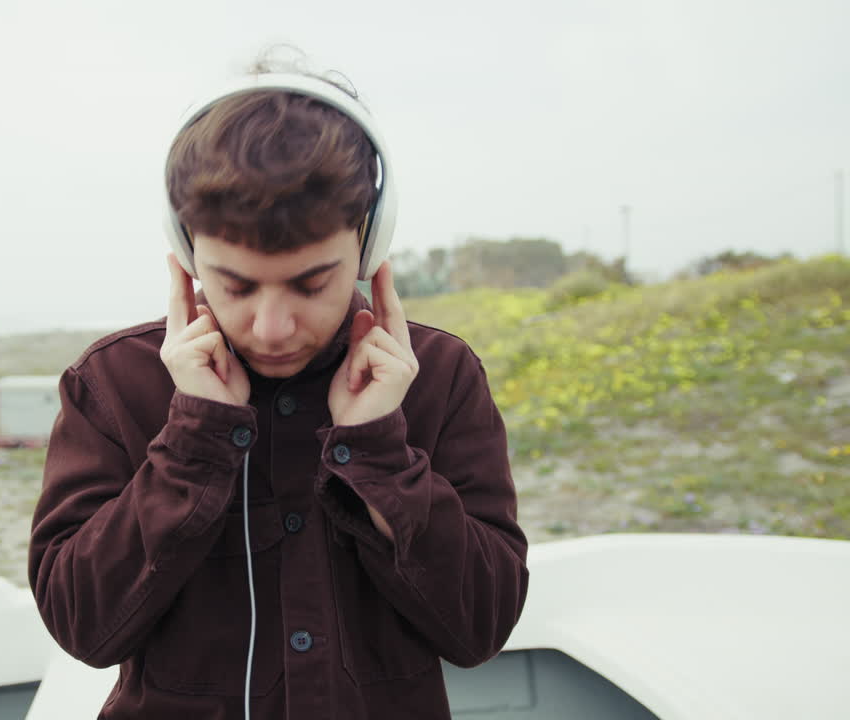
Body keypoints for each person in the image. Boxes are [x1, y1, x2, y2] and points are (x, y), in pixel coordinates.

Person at [28, 62, 528, 720]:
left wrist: (379, 455)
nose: (272, 328)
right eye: (234, 285)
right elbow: (84, 630)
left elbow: (479, 630)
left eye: (311, 283)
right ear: (185, 252)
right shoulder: (113, 382)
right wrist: (194, 441)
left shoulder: (440, 376)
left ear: (370, 244)